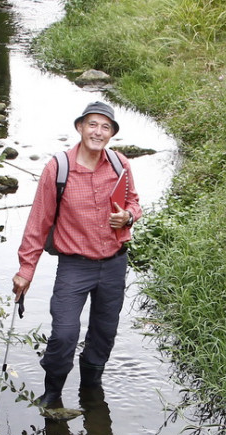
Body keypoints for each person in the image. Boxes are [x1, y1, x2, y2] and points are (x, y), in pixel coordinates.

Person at [13, 101, 142, 407]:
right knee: (64, 334)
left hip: (114, 264)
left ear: (111, 134)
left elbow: (134, 202)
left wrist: (128, 217)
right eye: (92, 125)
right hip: (74, 266)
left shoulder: (120, 164)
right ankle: (53, 393)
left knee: (104, 333)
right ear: (80, 127)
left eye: (105, 127)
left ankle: (91, 390)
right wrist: (25, 270)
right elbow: (38, 221)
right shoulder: (58, 168)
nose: (98, 132)